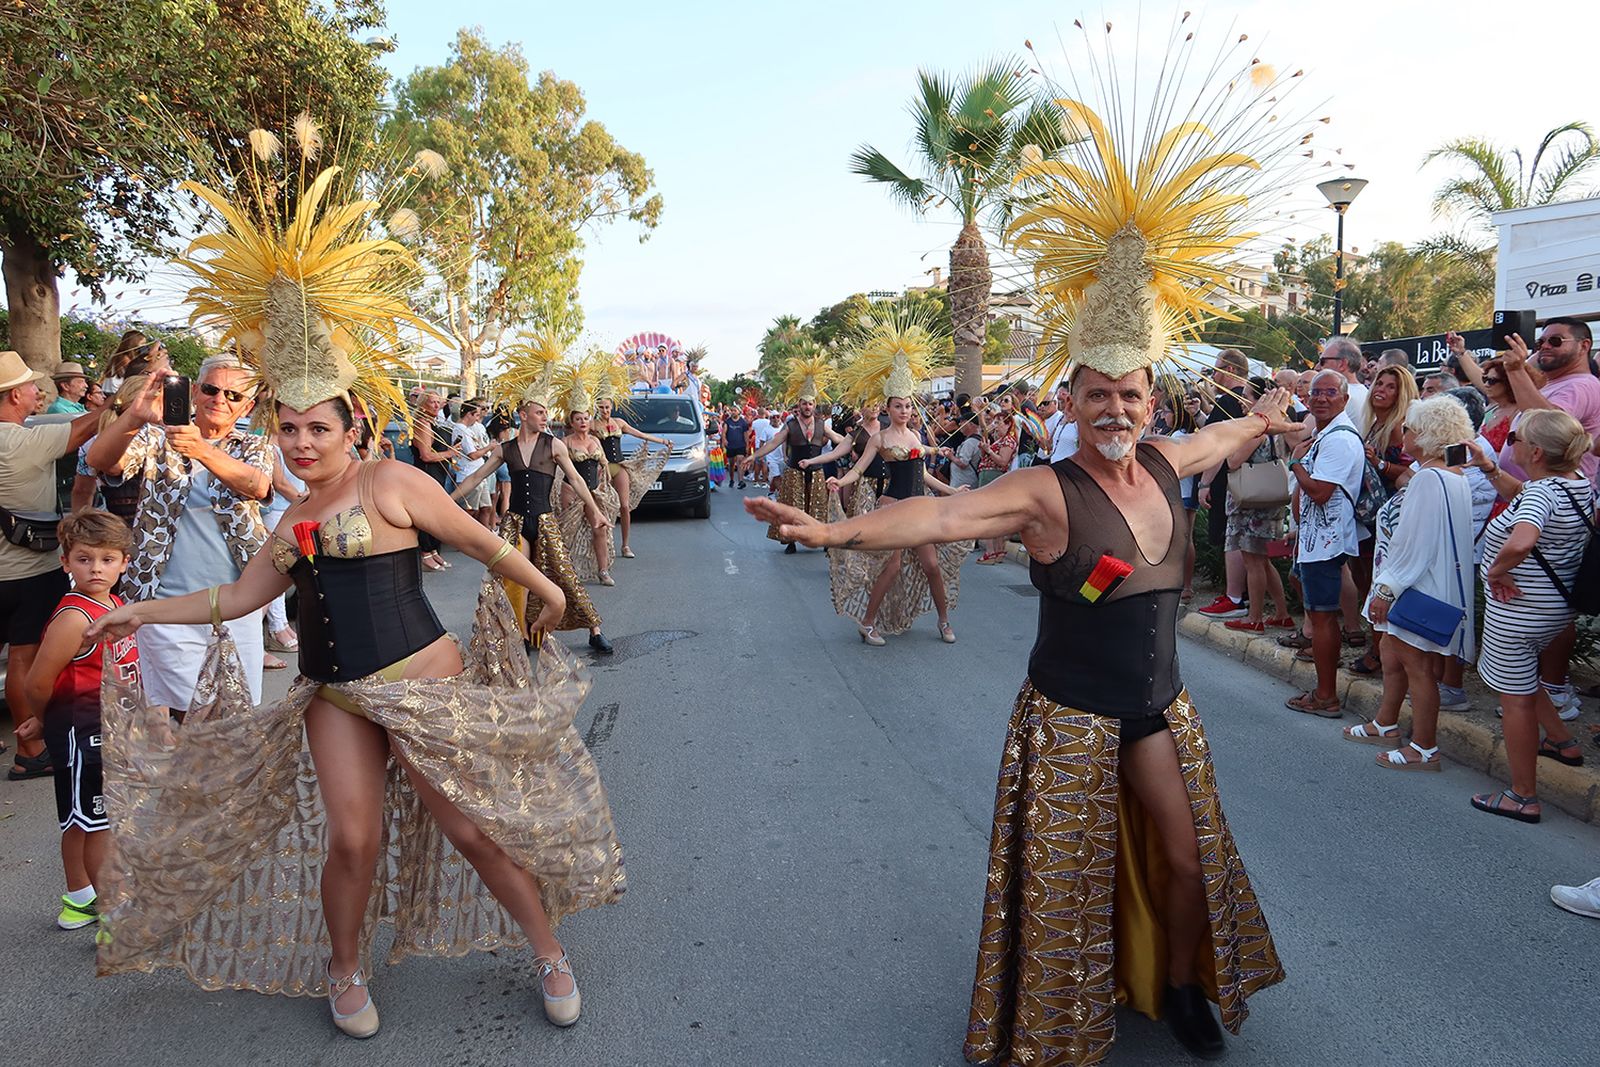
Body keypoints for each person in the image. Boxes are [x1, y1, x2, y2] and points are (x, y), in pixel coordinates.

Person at [84, 142, 623, 1035]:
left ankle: (549, 950)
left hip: (422, 679)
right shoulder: (291, 514)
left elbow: (484, 542)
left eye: (318, 429)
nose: (301, 443)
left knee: (472, 828)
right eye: (289, 428)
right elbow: (235, 599)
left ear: (351, 426)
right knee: (353, 837)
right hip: (334, 692)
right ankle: (343, 967)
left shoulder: (390, 482)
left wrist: (549, 591)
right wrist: (137, 608)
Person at [86, 354, 273, 712]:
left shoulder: (252, 446)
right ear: (195, 392)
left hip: (237, 602)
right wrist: (134, 416)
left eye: (233, 395)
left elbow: (256, 485)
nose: (220, 400)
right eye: (211, 389)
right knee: (188, 710)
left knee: (237, 709)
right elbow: (101, 461)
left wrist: (201, 450)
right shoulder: (157, 439)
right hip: (165, 605)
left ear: (247, 406)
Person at [15, 509, 138, 929]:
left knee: (81, 818)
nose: (96, 569)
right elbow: (37, 681)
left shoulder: (115, 604)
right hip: (84, 733)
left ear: (124, 562)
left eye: (107, 559)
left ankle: (79, 898)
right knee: (99, 823)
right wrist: (43, 718)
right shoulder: (75, 618)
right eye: (85, 559)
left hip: (106, 729)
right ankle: (113, 918)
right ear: (66, 562)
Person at [1468, 409, 1593, 823]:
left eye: (1515, 437)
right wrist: (1489, 469)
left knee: (1515, 699)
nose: (1511, 443)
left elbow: (1523, 540)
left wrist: (1496, 571)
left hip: (1519, 610)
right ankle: (1561, 740)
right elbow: (1525, 495)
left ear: (1535, 451)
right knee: (1524, 678)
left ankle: (1522, 795)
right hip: (1552, 608)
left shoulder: (1542, 495)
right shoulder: (1575, 483)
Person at [1341, 396, 1477, 767]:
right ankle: (1386, 723)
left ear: (1428, 435)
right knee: (1392, 651)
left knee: (1418, 668)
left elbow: (1415, 543)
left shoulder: (1431, 478)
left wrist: (1387, 589)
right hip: (1423, 581)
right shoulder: (1449, 474)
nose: (1404, 432)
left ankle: (1424, 748)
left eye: (1411, 428)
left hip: (1417, 584)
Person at [807, 350, 969, 645]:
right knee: (891, 567)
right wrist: (839, 481)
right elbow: (858, 469)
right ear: (888, 408)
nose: (904, 411)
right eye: (898, 406)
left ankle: (944, 620)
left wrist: (952, 492)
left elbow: (924, 476)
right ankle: (868, 623)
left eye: (907, 406)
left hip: (920, 508)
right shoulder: (879, 439)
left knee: (932, 566)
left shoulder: (915, 437)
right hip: (893, 507)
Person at [451, 380, 616, 655]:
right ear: (523, 414)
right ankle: (523, 633)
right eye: (539, 412)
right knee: (514, 578)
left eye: (545, 413)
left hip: (544, 521)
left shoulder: (554, 445)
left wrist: (596, 511)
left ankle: (595, 631)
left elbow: (576, 479)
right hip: (515, 523)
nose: (544, 417)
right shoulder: (505, 448)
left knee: (564, 575)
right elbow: (477, 477)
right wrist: (447, 501)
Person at [0, 350, 102, 779]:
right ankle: (30, 750)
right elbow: (81, 430)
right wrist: (122, 404)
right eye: (29, 385)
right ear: (13, 395)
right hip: (26, 572)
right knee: (24, 658)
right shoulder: (20, 441)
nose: (35, 392)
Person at [1283, 370, 1366, 718]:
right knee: (1319, 616)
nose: (1320, 398)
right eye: (1316, 392)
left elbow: (1319, 492)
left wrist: (1295, 463)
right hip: (1317, 541)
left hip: (1326, 544)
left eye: (1330, 392)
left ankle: (1326, 696)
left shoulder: (1338, 439)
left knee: (1322, 618)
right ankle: (1323, 692)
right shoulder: (1326, 434)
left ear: (1345, 399)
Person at [747, 388, 843, 553]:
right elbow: (773, 443)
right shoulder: (790, 425)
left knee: (819, 505)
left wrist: (857, 441)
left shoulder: (821, 424)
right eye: (804, 403)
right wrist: (754, 456)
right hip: (794, 472)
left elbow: (838, 438)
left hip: (817, 472)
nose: (807, 407)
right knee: (792, 507)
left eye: (810, 404)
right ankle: (790, 541)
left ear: (814, 405)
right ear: (799, 405)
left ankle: (824, 539)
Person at [593, 394, 671, 559]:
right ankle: (603, 544)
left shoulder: (619, 423)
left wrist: (662, 441)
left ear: (612, 407)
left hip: (620, 466)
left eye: (607, 407)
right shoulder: (593, 425)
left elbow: (640, 434)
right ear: (597, 408)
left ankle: (625, 545)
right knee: (603, 507)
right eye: (601, 407)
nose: (605, 410)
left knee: (624, 506)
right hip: (602, 468)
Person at [556, 394, 622, 586]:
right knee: (568, 531)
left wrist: (605, 478)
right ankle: (564, 571)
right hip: (572, 490)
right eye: (578, 419)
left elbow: (604, 462)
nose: (583, 422)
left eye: (586, 418)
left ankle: (603, 571)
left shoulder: (595, 440)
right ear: (572, 423)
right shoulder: (565, 442)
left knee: (599, 528)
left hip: (593, 491)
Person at [408, 390, 456, 571]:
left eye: (438, 402)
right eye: (432, 402)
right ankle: (425, 553)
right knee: (427, 515)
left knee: (435, 514)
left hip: (438, 474)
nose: (436, 405)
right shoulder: (423, 423)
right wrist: (450, 453)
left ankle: (433, 550)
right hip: (427, 474)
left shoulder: (433, 422)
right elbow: (426, 455)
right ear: (422, 404)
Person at [973, 404, 1017, 563]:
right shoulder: (999, 440)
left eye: (998, 423)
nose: (995, 426)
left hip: (993, 476)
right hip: (989, 475)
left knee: (988, 516)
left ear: (1008, 424)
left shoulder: (1008, 441)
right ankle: (997, 551)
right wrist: (985, 449)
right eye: (995, 422)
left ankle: (991, 552)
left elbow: (1003, 461)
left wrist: (989, 450)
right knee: (995, 517)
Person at [450, 399, 498, 530]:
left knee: (486, 507)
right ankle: (463, 534)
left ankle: (485, 534)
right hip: (469, 474)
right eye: (476, 415)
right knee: (470, 510)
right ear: (468, 414)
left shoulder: (467, 429)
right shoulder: (461, 430)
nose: (477, 418)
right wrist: (489, 447)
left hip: (479, 473)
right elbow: (473, 455)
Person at [1317, 337, 1370, 432]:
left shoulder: (1336, 395)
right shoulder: (1365, 392)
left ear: (1342, 364)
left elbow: (1298, 436)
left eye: (1323, 361)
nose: (1317, 367)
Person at [723, 407, 751, 489]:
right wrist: (724, 440)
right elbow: (724, 432)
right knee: (731, 464)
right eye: (732, 410)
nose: (733, 412)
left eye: (735, 410)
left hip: (740, 445)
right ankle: (731, 479)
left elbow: (746, 434)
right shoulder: (727, 422)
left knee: (740, 462)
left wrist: (747, 445)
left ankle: (741, 481)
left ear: (739, 412)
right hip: (731, 446)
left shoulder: (743, 422)